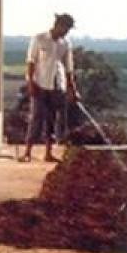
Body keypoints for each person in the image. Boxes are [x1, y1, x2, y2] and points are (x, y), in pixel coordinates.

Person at [21, 13, 80, 163]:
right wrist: (30, 83)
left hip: (57, 85)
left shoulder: (65, 43)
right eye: (65, 28)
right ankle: (27, 152)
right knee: (36, 118)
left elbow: (69, 68)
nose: (67, 31)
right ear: (58, 25)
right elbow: (31, 62)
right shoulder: (39, 39)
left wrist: (73, 89)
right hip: (40, 84)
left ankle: (48, 153)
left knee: (51, 120)